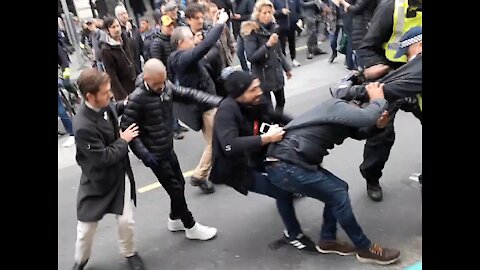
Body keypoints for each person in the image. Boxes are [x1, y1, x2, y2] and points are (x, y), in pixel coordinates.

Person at [265, 82, 401, 265]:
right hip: (287, 165)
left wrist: (378, 125)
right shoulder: (336, 106)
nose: (365, 107)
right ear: (354, 102)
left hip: (287, 164)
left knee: (337, 191)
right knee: (337, 193)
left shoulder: (342, 115)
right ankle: (365, 248)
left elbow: (360, 131)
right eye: (364, 104)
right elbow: (368, 115)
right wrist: (378, 99)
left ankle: (328, 240)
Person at [210, 70, 319, 252]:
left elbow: (277, 116)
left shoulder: (258, 101)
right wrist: (266, 139)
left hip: (256, 155)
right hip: (236, 167)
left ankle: (291, 193)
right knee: (282, 191)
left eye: (258, 86)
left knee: (290, 172)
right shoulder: (226, 111)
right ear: (239, 94)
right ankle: (293, 235)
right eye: (253, 89)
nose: (259, 91)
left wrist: (305, 124)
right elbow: (229, 145)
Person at [121, 59, 222, 241]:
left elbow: (189, 94)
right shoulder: (136, 100)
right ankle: (190, 226)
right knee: (175, 189)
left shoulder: (166, 87)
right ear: (146, 78)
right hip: (155, 155)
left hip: (168, 148)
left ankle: (174, 218)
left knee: (180, 185)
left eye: (163, 82)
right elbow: (128, 131)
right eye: (156, 84)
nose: (161, 87)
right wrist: (145, 155)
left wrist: (218, 101)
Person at [71, 68, 145, 270]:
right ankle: (81, 260)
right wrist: (123, 140)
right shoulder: (82, 126)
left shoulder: (103, 104)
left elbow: (112, 108)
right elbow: (103, 158)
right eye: (105, 93)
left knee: (126, 222)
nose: (110, 95)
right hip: (97, 182)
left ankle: (130, 253)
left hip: (119, 177)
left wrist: (125, 104)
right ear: (90, 96)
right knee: (85, 230)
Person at [352, 0, 422, 201]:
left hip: (418, 77)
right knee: (381, 133)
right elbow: (366, 47)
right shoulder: (391, 7)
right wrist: (379, 68)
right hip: (392, 75)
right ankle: (371, 177)